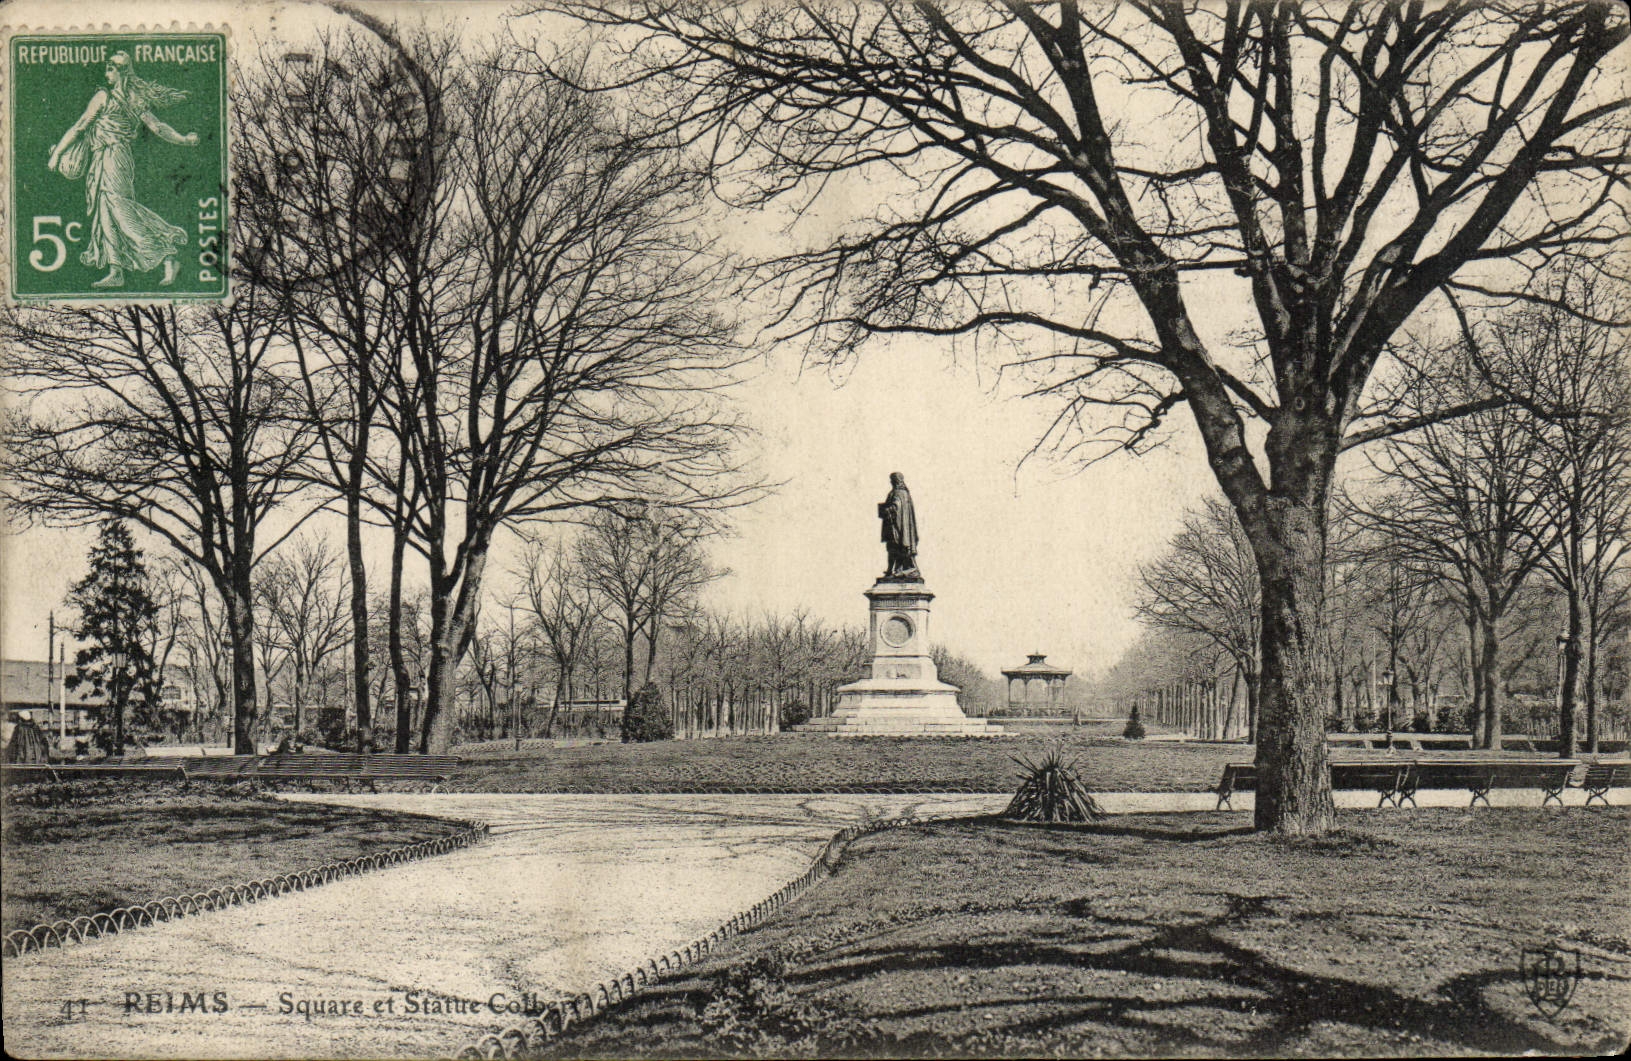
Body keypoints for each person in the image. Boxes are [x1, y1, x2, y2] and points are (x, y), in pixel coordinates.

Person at [46, 51, 198, 289]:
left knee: (121, 210)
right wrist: (184, 140)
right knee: (106, 213)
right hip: (104, 158)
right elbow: (156, 127)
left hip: (114, 157)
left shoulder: (107, 97)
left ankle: (167, 253)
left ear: (120, 71)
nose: (106, 73)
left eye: (110, 68)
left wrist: (57, 154)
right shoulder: (126, 97)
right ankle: (116, 270)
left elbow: (80, 127)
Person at [877, 471, 921, 579]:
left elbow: (896, 507)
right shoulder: (905, 494)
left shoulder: (897, 493)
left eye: (892, 480)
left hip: (896, 527)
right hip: (900, 528)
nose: (891, 482)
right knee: (895, 548)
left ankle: (894, 570)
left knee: (893, 548)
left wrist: (886, 509)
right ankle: (893, 570)